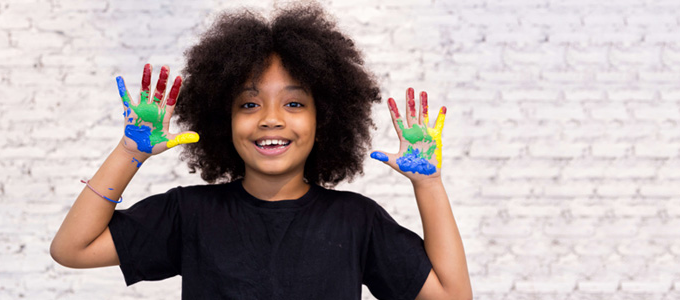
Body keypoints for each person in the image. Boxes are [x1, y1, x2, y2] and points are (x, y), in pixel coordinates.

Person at [50, 4, 472, 299]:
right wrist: (129, 153)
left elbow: (452, 296)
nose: (271, 119)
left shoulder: (356, 221)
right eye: (249, 104)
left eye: (293, 103)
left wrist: (429, 184)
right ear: (224, 121)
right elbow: (72, 249)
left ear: (324, 122)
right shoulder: (189, 213)